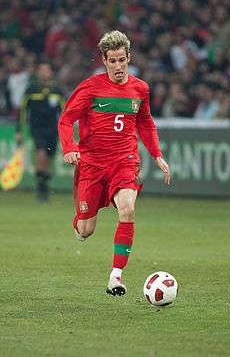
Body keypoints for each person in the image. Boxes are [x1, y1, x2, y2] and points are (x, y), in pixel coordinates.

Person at [58, 31, 170, 296]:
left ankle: (115, 278)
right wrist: (70, 148)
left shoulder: (140, 88)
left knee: (128, 210)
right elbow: (65, 119)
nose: (118, 66)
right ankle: (80, 222)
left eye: (122, 60)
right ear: (104, 61)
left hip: (125, 161)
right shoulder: (90, 88)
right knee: (86, 230)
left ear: (129, 57)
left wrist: (157, 154)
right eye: (112, 61)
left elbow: (145, 123)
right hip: (92, 164)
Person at [16, 63, 64, 201]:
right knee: (41, 154)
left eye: (46, 70)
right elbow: (22, 110)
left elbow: (65, 112)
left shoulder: (57, 90)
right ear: (38, 73)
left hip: (52, 129)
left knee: (48, 159)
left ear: (50, 73)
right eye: (41, 70)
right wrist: (19, 130)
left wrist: (66, 130)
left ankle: (44, 187)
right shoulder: (31, 90)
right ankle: (41, 189)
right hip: (37, 128)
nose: (44, 73)